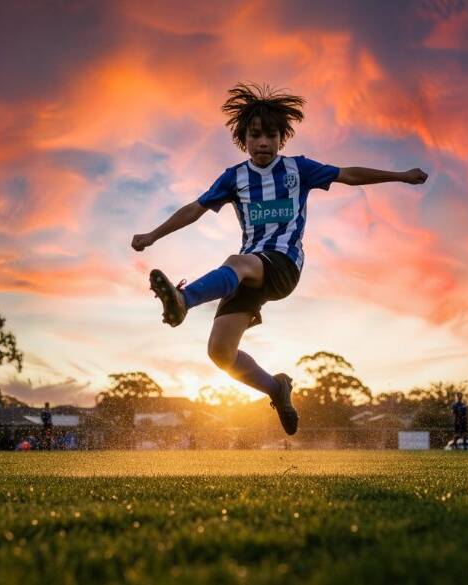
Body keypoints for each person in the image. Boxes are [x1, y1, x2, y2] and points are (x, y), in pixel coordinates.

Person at [132, 83, 428, 435]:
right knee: (220, 354)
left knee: (237, 261)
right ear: (243, 139)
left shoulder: (297, 169)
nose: (263, 143)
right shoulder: (234, 178)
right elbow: (195, 209)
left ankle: (184, 300)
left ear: (281, 139)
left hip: (283, 264)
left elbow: (348, 174)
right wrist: (153, 234)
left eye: (271, 135)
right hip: (246, 273)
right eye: (255, 135)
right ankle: (277, 388)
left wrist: (400, 176)